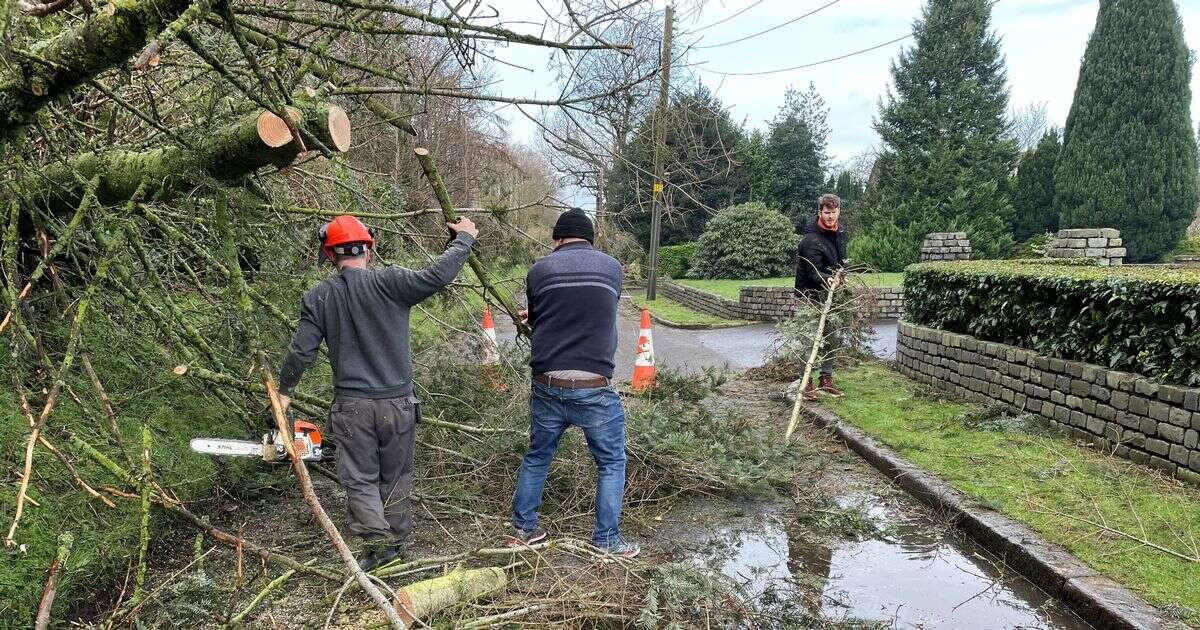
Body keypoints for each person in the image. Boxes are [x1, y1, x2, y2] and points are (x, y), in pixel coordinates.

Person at [275, 213, 478, 571]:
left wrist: (285, 390)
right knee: (396, 476)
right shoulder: (392, 281)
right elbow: (437, 276)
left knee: (360, 478)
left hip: (351, 408)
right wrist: (462, 240)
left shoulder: (320, 296)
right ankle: (396, 544)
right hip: (398, 404)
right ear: (369, 250)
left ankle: (379, 546)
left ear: (329, 255)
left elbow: (301, 350)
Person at [509, 208, 639, 558]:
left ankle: (522, 531)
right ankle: (608, 540)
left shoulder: (539, 270)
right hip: (593, 385)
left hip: (547, 381)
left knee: (538, 456)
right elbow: (593, 307)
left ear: (557, 238)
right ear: (590, 239)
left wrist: (532, 314)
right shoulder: (612, 268)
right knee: (611, 462)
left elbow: (540, 315)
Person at [793, 193, 847, 402]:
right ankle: (805, 382)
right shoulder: (810, 239)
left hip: (832, 293)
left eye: (833, 212)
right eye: (827, 213)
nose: (830, 216)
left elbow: (842, 262)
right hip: (810, 294)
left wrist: (842, 277)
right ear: (819, 212)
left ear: (838, 212)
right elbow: (813, 272)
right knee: (809, 339)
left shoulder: (840, 233)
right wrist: (829, 278)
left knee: (832, 337)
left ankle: (826, 379)